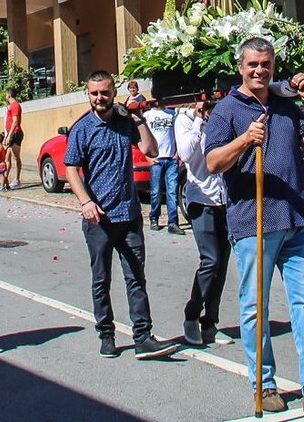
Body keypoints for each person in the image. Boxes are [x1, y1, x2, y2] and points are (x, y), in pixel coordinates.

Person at [205, 37, 304, 418]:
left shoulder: (286, 104)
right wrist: (245, 140)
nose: (260, 71)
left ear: (273, 65)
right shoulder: (226, 110)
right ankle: (264, 384)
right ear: (241, 67)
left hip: (296, 219)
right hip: (254, 222)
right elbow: (213, 162)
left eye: (265, 64)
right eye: (253, 65)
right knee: (255, 308)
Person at [63, 70, 176, 360]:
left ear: (114, 93)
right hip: (98, 219)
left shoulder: (126, 123)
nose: (100, 98)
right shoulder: (82, 129)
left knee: (136, 277)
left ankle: (142, 336)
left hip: (129, 215)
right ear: (88, 95)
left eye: (105, 92)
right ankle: (106, 334)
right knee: (101, 279)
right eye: (94, 93)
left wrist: (137, 118)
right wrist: (85, 202)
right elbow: (71, 169)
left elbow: (152, 149)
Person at [175, 100, 231, 348]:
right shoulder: (184, 120)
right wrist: (198, 119)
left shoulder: (219, 119)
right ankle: (191, 315)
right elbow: (186, 153)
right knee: (211, 260)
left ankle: (210, 322)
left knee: (222, 264)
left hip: (224, 199)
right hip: (200, 199)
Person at [143, 97, 182, 234]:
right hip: (156, 159)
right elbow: (141, 138)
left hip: (171, 159)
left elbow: (178, 134)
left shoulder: (172, 114)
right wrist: (147, 157)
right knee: (156, 192)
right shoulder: (147, 115)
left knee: (172, 192)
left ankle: (173, 222)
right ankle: (154, 218)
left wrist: (177, 153)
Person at [3, 87, 23, 188]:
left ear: (9, 95)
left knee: (16, 157)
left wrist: (10, 136)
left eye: (6, 94)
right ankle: (5, 178)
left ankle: (17, 179)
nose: (5, 96)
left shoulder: (15, 105)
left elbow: (15, 121)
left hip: (15, 134)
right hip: (11, 134)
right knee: (7, 157)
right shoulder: (11, 106)